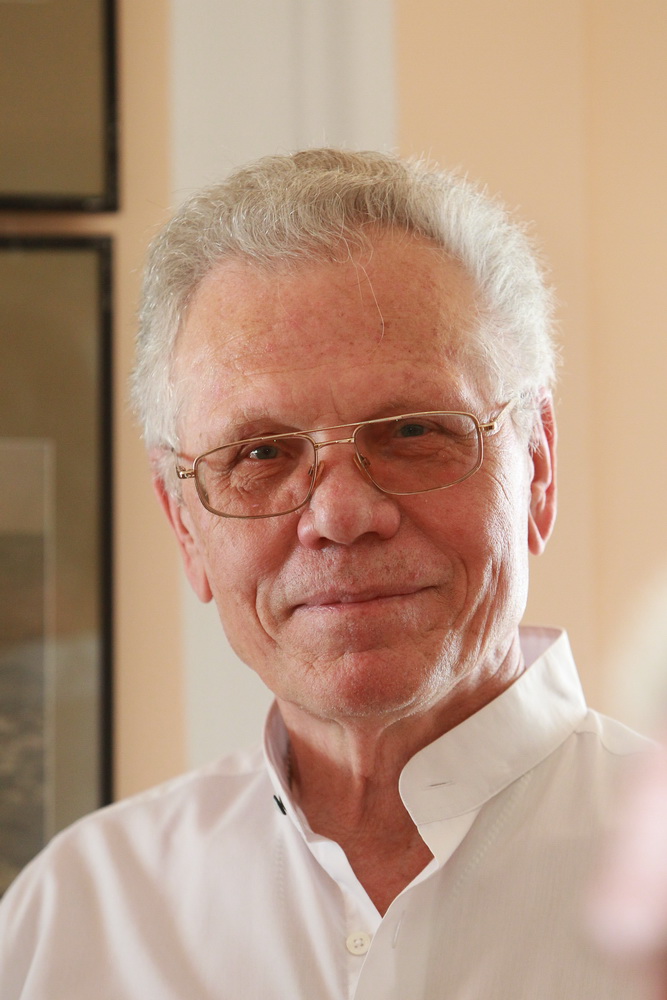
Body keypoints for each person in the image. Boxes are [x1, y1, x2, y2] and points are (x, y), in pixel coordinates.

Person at [0, 149, 652, 997]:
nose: (340, 516)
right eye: (259, 453)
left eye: (413, 431)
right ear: (185, 525)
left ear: (537, 468)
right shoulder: (75, 920)